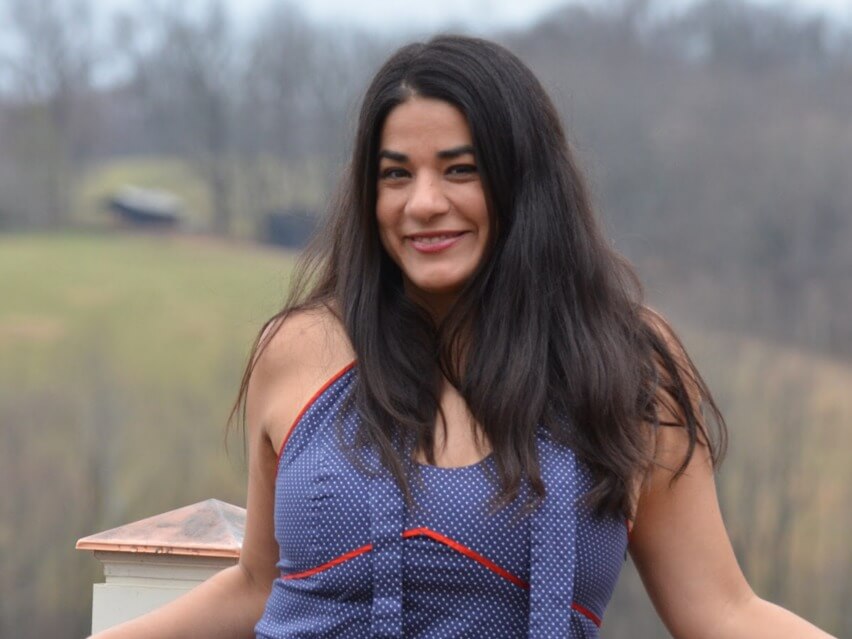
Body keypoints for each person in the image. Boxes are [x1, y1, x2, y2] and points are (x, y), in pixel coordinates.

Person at [90, 35, 835, 639]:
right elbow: (256, 585)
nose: (423, 203)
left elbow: (722, 611)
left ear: (523, 183)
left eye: (460, 170)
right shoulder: (298, 351)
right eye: (395, 175)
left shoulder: (625, 366)